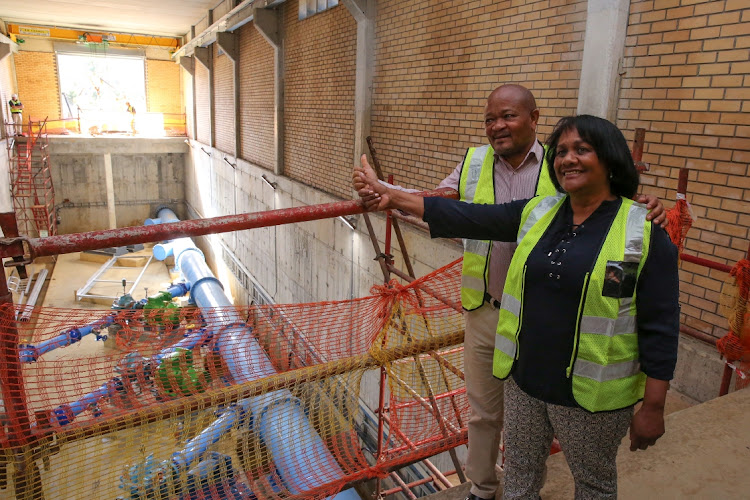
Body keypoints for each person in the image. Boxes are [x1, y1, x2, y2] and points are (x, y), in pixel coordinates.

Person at [354, 114, 679, 499]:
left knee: (594, 486)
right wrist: (393, 196)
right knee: (520, 479)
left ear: (610, 158)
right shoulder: (539, 212)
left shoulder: (642, 232)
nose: (567, 159)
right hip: (525, 382)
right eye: (560, 152)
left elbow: (661, 324)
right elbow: (470, 216)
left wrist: (654, 406)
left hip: (592, 397)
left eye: (582, 149)